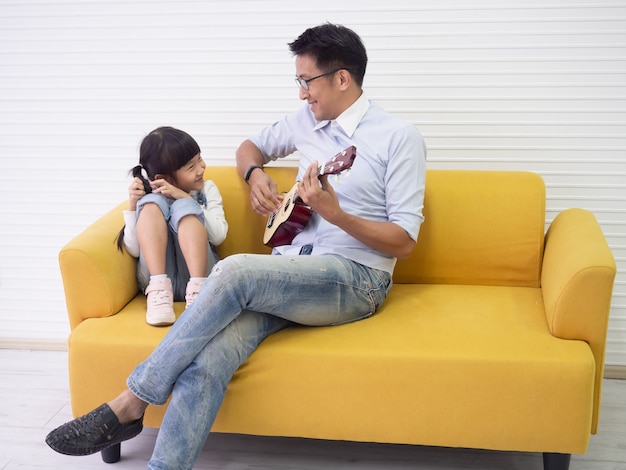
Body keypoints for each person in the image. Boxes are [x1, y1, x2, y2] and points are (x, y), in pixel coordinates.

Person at [45, 23, 427, 469]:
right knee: (209, 358)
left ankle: (131, 402)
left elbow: (403, 242)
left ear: (342, 78)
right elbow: (250, 147)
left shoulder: (399, 138)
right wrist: (254, 175)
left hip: (355, 278)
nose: (302, 94)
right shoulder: (307, 121)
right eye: (298, 83)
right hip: (290, 271)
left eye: (307, 82)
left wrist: (335, 213)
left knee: (236, 270)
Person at [117, 126, 228, 326]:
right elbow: (133, 250)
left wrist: (186, 198)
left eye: (199, 159)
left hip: (200, 276)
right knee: (152, 204)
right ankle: (159, 290)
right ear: (163, 178)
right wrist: (133, 207)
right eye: (191, 167)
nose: (201, 168)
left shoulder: (207, 190)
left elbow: (218, 235)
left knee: (185, 208)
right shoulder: (149, 200)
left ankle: (198, 293)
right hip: (155, 280)